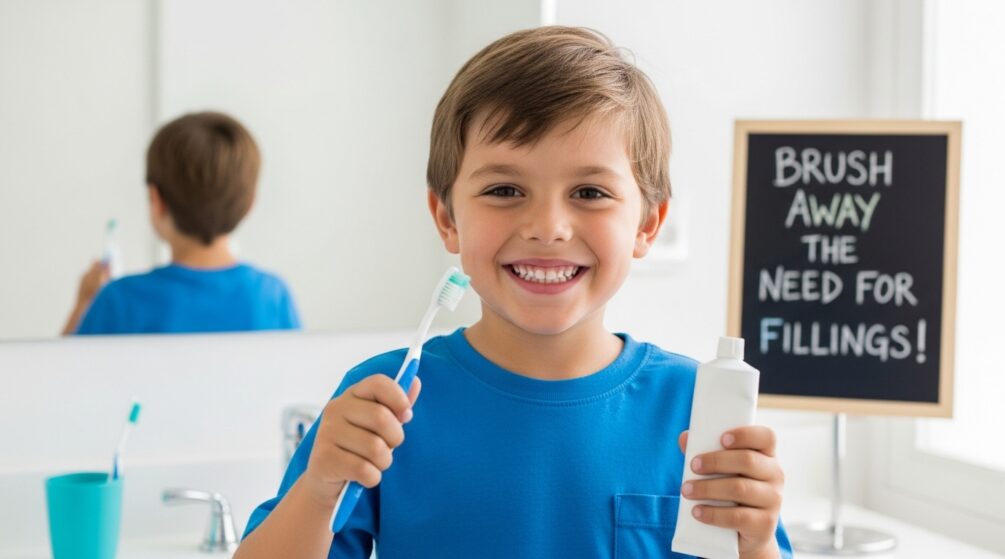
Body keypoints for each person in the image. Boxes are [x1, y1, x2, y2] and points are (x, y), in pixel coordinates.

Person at [236, 27, 790, 558]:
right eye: (505, 189)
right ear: (446, 217)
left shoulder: (694, 409)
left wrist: (758, 546)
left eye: (590, 192)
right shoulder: (387, 403)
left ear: (648, 223)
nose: (547, 226)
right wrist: (318, 490)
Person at [62, 111, 300, 335]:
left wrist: (83, 305)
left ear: (156, 200)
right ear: (250, 203)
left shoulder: (119, 300)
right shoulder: (272, 296)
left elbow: (59, 373)